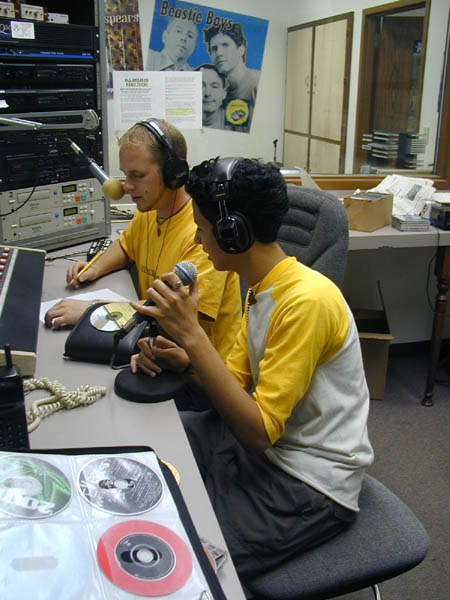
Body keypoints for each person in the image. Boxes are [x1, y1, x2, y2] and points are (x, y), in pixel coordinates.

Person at [129, 157, 374, 581]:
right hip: (272, 447)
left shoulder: (307, 301)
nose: (198, 238)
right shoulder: (264, 287)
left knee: (184, 561)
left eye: (202, 228)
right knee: (148, 447)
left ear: (233, 232)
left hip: (307, 480)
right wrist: (187, 361)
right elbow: (234, 386)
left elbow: (258, 433)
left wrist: (193, 336)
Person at [44, 122, 242, 405]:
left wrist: (94, 312)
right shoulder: (150, 209)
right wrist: (95, 267)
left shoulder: (201, 234)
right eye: (125, 175)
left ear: (174, 174)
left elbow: (175, 313)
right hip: (156, 349)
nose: (126, 187)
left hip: (202, 377)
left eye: (137, 176)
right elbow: (126, 245)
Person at [203, 23, 260, 131]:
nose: (219, 53)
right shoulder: (223, 95)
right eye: (214, 48)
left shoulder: (258, 82)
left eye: (225, 45)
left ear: (241, 50)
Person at [196, 64, 227, 130]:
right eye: (201, 86)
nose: (207, 93)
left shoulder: (234, 124)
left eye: (214, 86)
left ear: (224, 93)